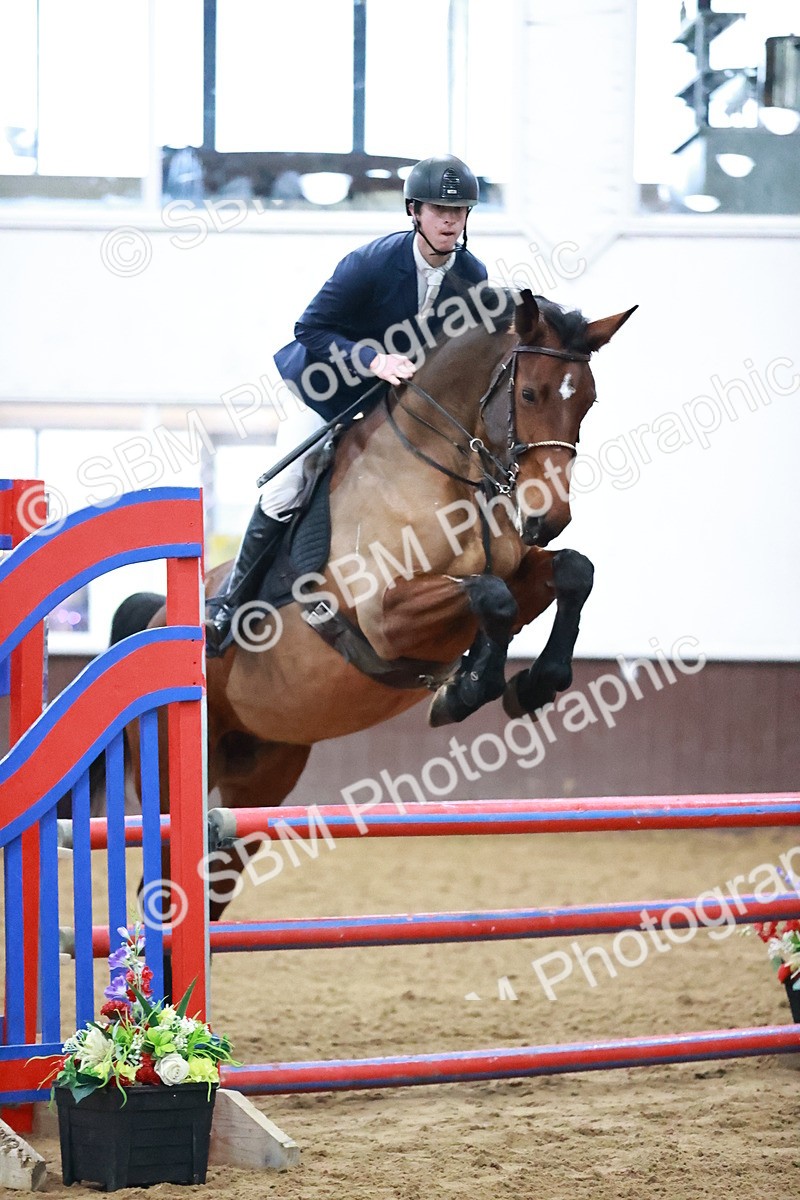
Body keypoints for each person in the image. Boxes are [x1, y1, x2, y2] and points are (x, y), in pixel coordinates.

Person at [206, 154, 487, 655]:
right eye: (438, 209)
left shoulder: (471, 274)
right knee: (288, 483)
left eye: (459, 210)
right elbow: (309, 329)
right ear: (414, 211)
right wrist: (372, 359)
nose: (449, 219)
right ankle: (230, 600)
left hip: (398, 406)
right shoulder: (373, 262)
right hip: (328, 390)